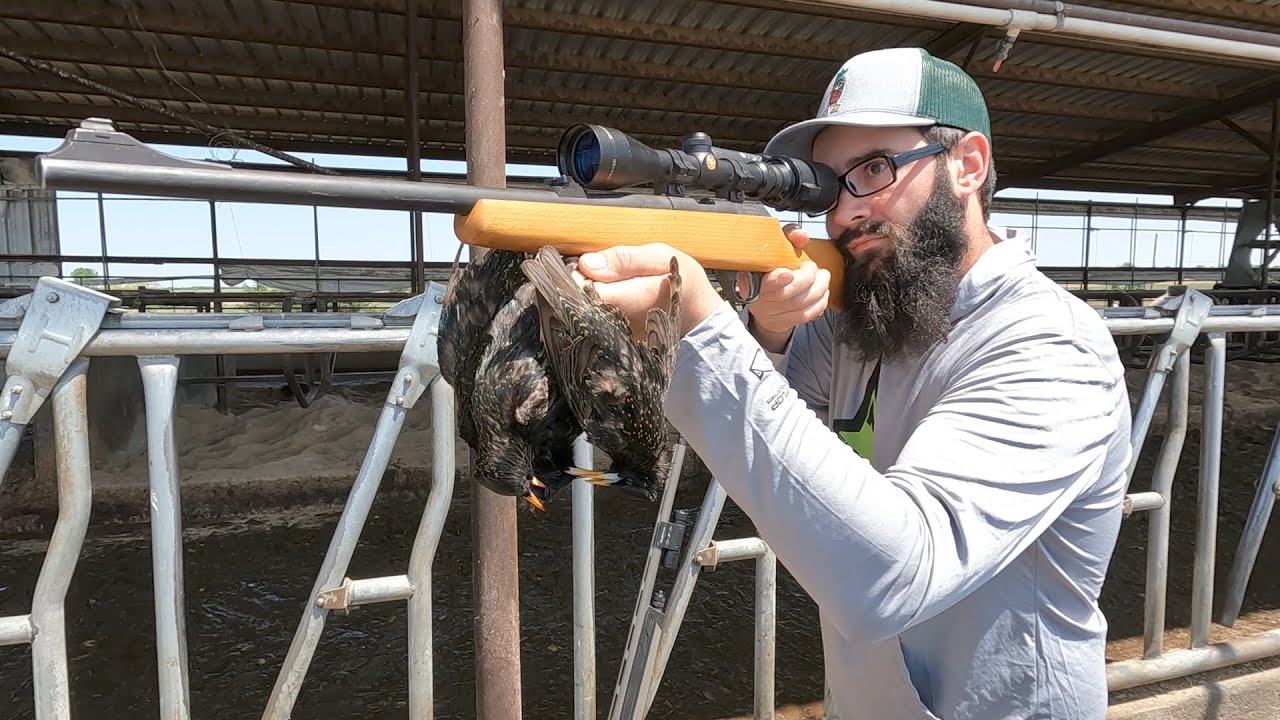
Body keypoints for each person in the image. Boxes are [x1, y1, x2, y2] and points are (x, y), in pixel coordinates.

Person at [573, 47, 1134, 719]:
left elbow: (891, 575)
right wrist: (767, 333)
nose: (843, 215)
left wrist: (701, 325)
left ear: (969, 166)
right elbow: (777, 464)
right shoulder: (867, 320)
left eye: (875, 169)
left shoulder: (1050, 346)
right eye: (829, 184)